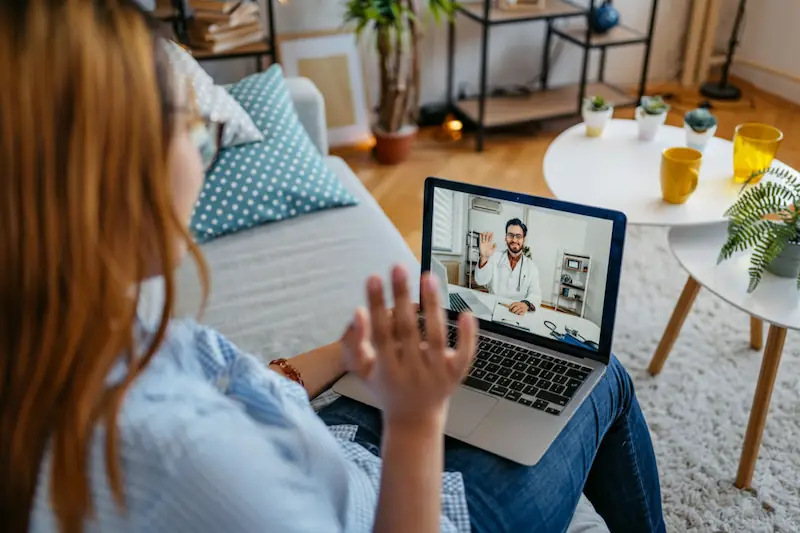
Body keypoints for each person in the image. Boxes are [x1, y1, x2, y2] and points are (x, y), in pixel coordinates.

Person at [0, 2, 666, 533]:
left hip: (339, 442)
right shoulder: (183, 458)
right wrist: (415, 419)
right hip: (415, 503)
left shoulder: (73, 335)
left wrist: (351, 351)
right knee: (602, 378)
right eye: (192, 126)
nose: (204, 147)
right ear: (107, 178)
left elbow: (234, 383)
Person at [474, 218, 543, 315]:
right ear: (505, 238)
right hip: (493, 310)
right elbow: (480, 281)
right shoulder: (494, 257)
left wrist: (526, 304)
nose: (514, 240)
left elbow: (536, 294)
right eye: (510, 235)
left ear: (524, 240)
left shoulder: (531, 267)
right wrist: (484, 257)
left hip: (518, 313)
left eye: (518, 236)